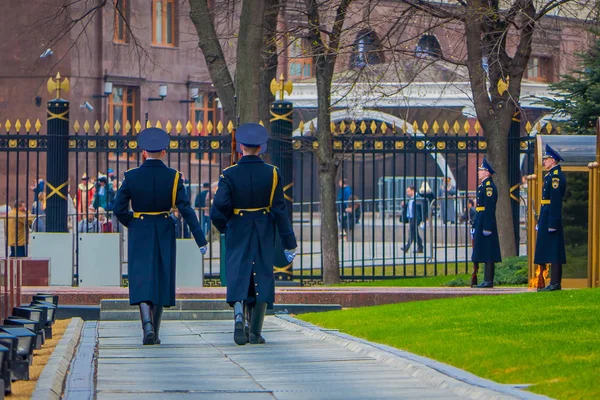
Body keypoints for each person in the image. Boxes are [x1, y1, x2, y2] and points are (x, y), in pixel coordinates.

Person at [113, 127, 208, 345]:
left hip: (140, 229)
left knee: (141, 276)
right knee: (161, 278)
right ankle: (154, 331)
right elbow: (186, 209)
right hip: (164, 229)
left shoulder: (131, 176)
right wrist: (199, 237)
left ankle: (146, 325)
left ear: (143, 152)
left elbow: (118, 208)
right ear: (164, 152)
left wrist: (133, 222)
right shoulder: (174, 177)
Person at [210, 122, 297, 346]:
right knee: (262, 275)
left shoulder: (228, 174)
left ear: (240, 148)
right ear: (261, 148)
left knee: (238, 273)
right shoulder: (273, 173)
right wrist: (289, 241)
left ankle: (239, 316)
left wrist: (226, 224)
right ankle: (255, 332)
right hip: (262, 229)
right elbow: (280, 210)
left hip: (238, 227)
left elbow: (219, 204)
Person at [535, 144, 566, 292]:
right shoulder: (551, 176)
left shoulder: (555, 177)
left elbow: (555, 201)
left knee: (554, 250)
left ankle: (555, 283)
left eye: (546, 159)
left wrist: (552, 222)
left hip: (551, 217)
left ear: (553, 160)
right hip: (546, 215)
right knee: (550, 248)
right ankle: (552, 282)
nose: (544, 162)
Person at [471, 158, 502, 288]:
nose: (479, 172)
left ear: (487, 172)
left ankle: (488, 280)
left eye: (481, 170)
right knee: (482, 250)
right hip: (481, 219)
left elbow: (489, 208)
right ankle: (485, 279)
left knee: (488, 251)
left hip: (486, 221)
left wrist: (487, 226)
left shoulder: (489, 187)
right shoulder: (483, 186)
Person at [401, 186, 424, 253]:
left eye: (408, 191)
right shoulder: (410, 199)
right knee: (415, 232)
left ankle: (407, 247)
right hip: (411, 217)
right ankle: (420, 247)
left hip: (416, 217)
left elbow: (422, 208)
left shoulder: (418, 198)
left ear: (413, 190)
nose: (407, 193)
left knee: (412, 232)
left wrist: (424, 218)